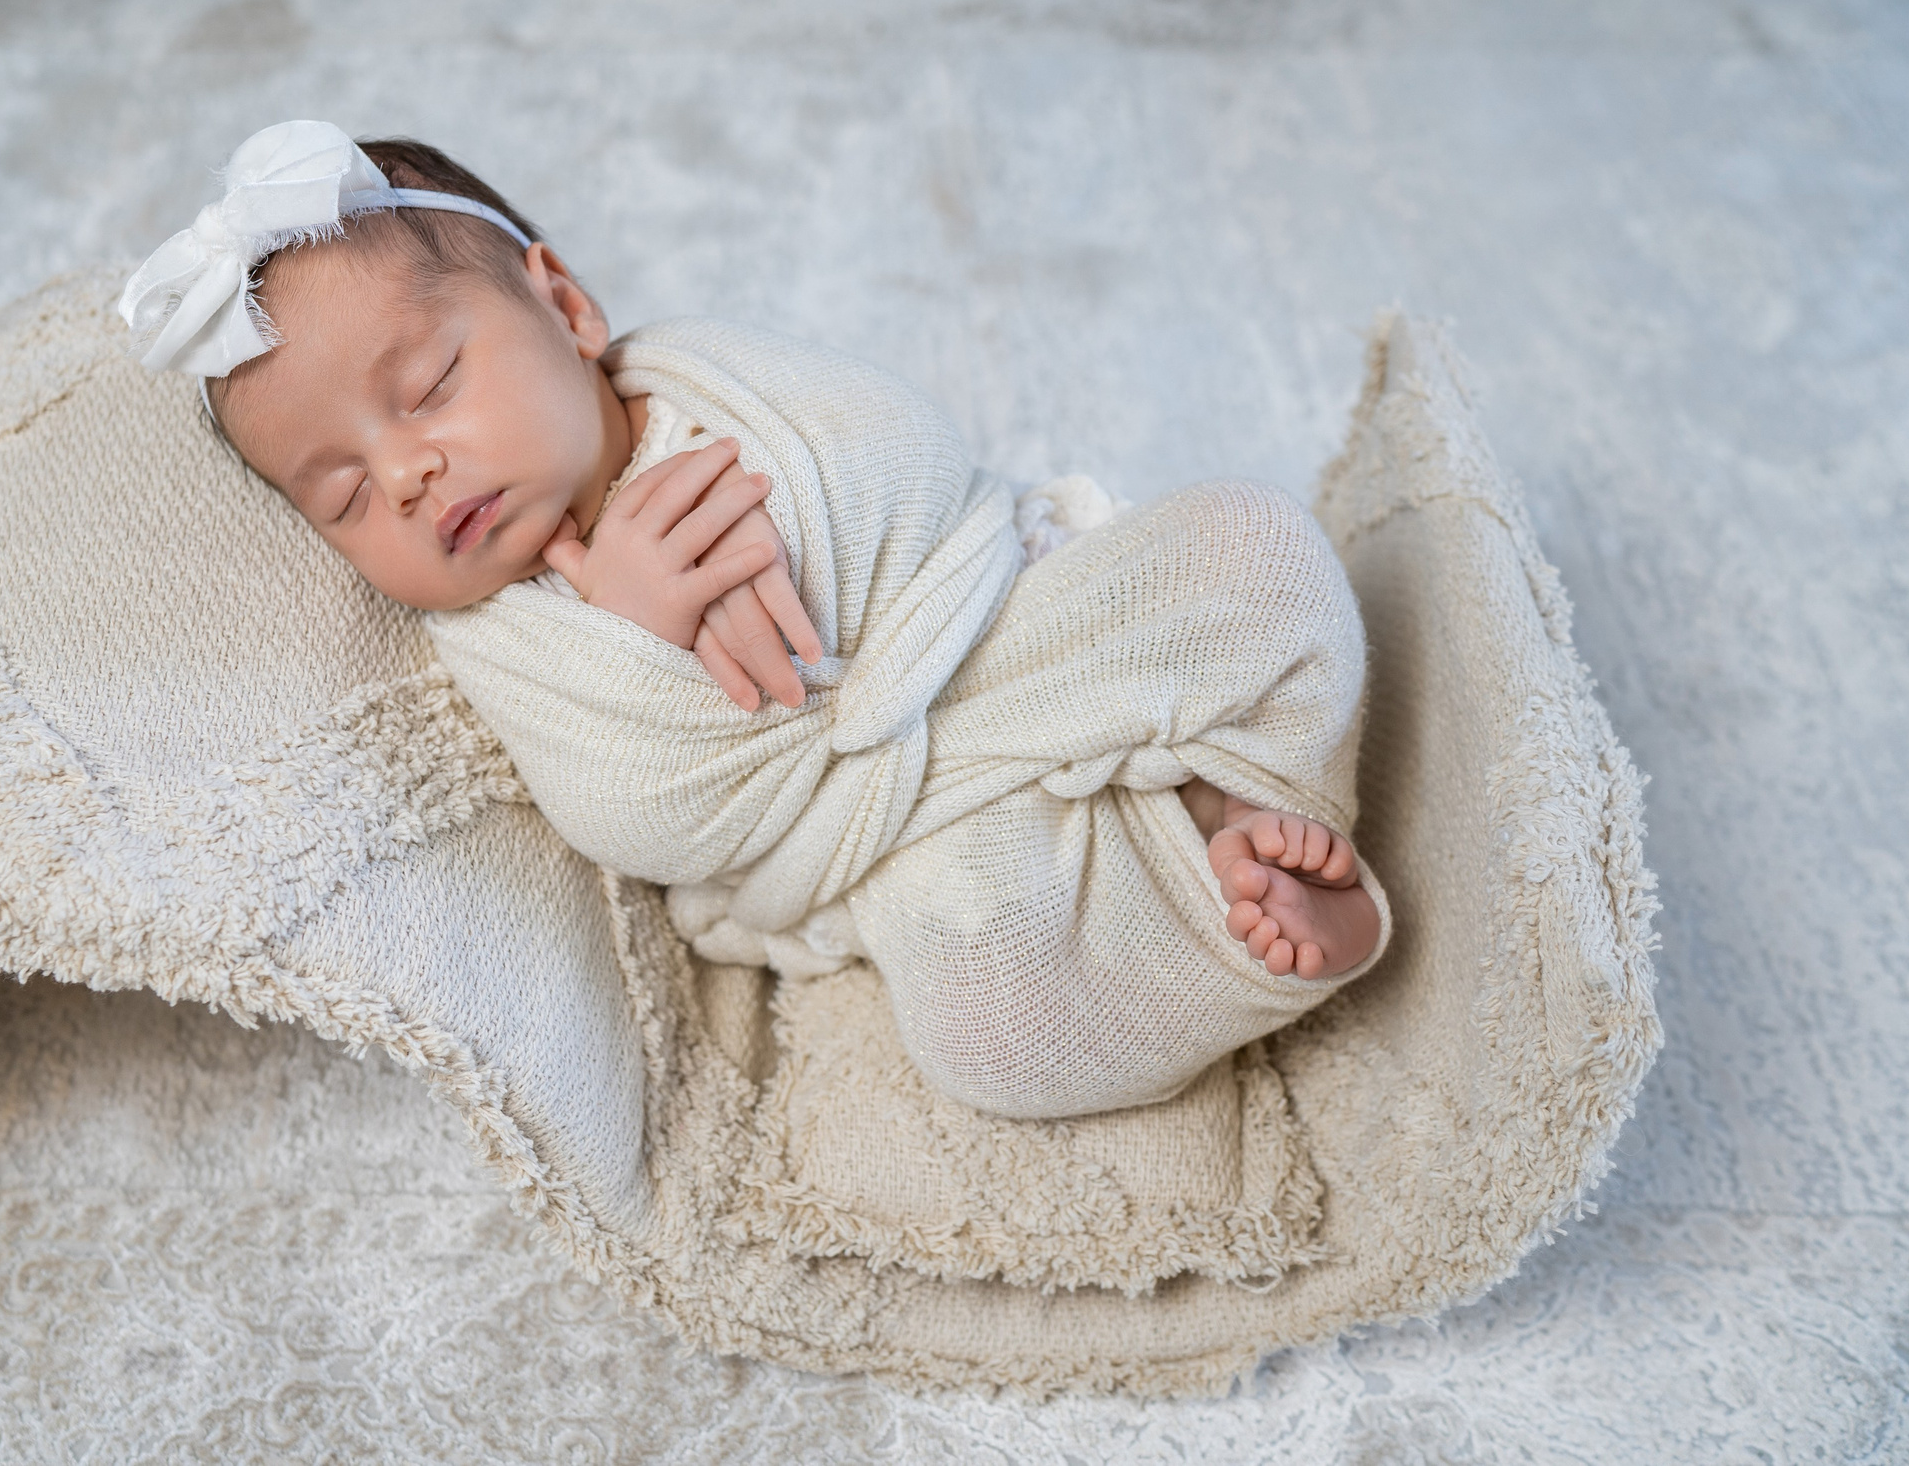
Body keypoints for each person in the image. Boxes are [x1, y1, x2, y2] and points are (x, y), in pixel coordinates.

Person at [121, 120, 1388, 1117]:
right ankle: (1252, 929)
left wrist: (795, 548)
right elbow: (642, 823)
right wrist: (644, 644)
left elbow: (909, 458)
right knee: (998, 1039)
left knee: (1251, 548)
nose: (404, 476)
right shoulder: (510, 631)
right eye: (341, 494)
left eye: (431, 386)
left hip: (1017, 635)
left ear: (563, 309)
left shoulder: (701, 378)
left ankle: (1263, 798)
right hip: (903, 843)